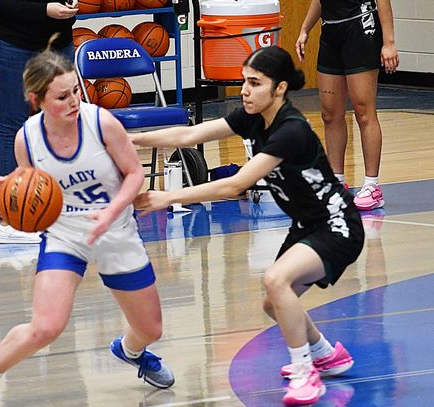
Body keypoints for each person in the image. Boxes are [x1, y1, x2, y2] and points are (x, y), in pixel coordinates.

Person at [131, 46, 365, 406]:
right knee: (274, 303)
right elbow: (187, 136)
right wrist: (134, 139)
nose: (244, 90)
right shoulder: (252, 116)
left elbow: (234, 185)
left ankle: (305, 373)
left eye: (255, 83)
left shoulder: (291, 130)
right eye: (244, 81)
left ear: (280, 89)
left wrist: (165, 197)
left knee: (276, 280)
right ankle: (324, 353)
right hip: (307, 225)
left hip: (337, 225)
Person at [0, 44, 174, 407]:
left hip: (115, 230)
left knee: (151, 329)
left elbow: (135, 173)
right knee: (46, 326)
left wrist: (111, 211)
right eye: (62, 96)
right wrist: (7, 196)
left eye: (76, 90)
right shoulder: (26, 138)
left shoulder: (101, 122)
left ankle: (131, 351)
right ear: (36, 99)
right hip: (65, 235)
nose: (74, 101)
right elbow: (29, 190)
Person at [0, 0, 78, 243]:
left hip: (59, 42)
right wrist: (44, 9)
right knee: (11, 128)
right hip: (13, 44)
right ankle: (8, 219)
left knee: (61, 127)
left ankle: (54, 208)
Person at [295, 0, 399, 211]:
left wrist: (388, 42)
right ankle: (336, 182)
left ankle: (372, 186)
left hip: (360, 28)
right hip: (331, 31)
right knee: (330, 113)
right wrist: (305, 29)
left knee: (363, 111)